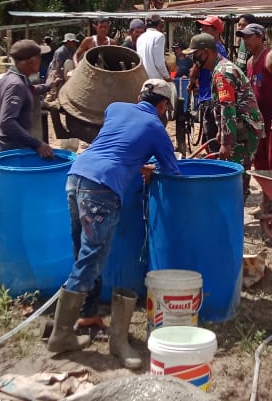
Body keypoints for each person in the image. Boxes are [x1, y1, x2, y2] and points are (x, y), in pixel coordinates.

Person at [47, 78, 181, 370]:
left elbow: (117, 143)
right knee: (92, 256)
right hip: (102, 190)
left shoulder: (116, 107)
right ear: (162, 106)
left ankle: (86, 315)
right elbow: (172, 170)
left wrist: (135, 164)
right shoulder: (157, 128)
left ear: (139, 95)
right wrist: (149, 166)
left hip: (76, 176)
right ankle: (61, 335)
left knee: (82, 251)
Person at [184, 34, 263, 192]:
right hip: (240, 128)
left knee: (236, 177)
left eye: (196, 54)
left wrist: (226, 143)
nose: (194, 59)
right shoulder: (220, 68)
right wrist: (221, 131)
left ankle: (235, 209)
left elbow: (227, 107)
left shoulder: (222, 73)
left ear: (206, 52)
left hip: (243, 132)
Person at [238, 23, 272, 173]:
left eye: (249, 37)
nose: (246, 41)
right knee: (260, 163)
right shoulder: (249, 62)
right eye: (244, 38)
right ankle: (266, 196)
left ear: (260, 36)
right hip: (258, 121)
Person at [0, 40, 54, 157]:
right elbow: (7, 122)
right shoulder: (16, 84)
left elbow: (29, 90)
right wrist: (37, 144)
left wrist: (48, 86)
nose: (41, 60)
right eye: (39, 57)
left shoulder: (12, 77)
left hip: (9, 147)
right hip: (10, 151)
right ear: (32, 61)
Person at [187, 15, 228, 154]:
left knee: (212, 139)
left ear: (216, 31)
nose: (202, 30)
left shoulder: (211, 50)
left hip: (211, 98)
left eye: (206, 28)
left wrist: (192, 79)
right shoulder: (218, 49)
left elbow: (196, 68)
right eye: (202, 27)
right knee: (209, 138)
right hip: (207, 96)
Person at [136, 14, 169, 81]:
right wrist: (167, 77)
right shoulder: (159, 36)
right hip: (155, 81)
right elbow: (159, 63)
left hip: (142, 78)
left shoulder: (141, 37)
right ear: (159, 24)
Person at [47, 33, 79, 99]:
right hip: (56, 69)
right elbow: (57, 66)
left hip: (66, 69)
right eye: (72, 41)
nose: (74, 43)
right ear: (68, 42)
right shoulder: (60, 52)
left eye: (74, 42)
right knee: (54, 88)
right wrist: (57, 77)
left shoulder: (73, 50)